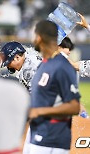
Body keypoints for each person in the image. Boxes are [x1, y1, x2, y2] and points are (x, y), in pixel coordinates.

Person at [29, 20, 80, 154]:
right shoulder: (45, 64)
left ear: (39, 37)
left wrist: (39, 111)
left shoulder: (61, 66)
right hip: (39, 135)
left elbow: (74, 106)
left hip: (52, 140)